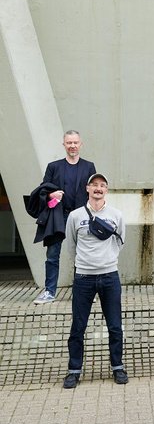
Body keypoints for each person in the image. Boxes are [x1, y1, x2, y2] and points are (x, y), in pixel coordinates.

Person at [62, 173, 127, 388]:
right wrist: (86, 263)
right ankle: (74, 371)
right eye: (94, 185)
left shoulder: (116, 215)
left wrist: (105, 261)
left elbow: (120, 242)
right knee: (78, 327)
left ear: (106, 190)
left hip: (110, 276)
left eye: (102, 185)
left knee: (115, 326)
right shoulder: (75, 216)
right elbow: (71, 245)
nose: (98, 189)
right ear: (87, 189)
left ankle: (118, 367)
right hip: (83, 278)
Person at [34, 130, 96, 304]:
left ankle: (83, 293)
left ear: (80, 144)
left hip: (80, 215)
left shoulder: (89, 166)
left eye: (75, 142)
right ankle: (49, 292)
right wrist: (51, 195)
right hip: (57, 216)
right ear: (64, 145)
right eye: (69, 143)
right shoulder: (53, 166)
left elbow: (95, 190)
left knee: (82, 255)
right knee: (53, 254)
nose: (72, 146)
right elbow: (42, 190)